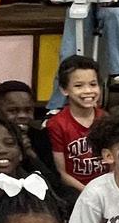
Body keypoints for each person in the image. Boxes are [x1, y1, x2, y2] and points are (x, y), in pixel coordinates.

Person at [45, 55, 106, 197]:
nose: (88, 91)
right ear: (64, 89)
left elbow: (114, 164)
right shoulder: (57, 124)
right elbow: (62, 173)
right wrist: (89, 193)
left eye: (93, 84)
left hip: (105, 189)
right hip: (75, 192)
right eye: (79, 86)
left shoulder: (106, 119)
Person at [0, 80, 57, 187]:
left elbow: (54, 182)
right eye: (13, 111)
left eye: (28, 110)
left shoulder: (42, 137)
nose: (22, 116)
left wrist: (31, 154)